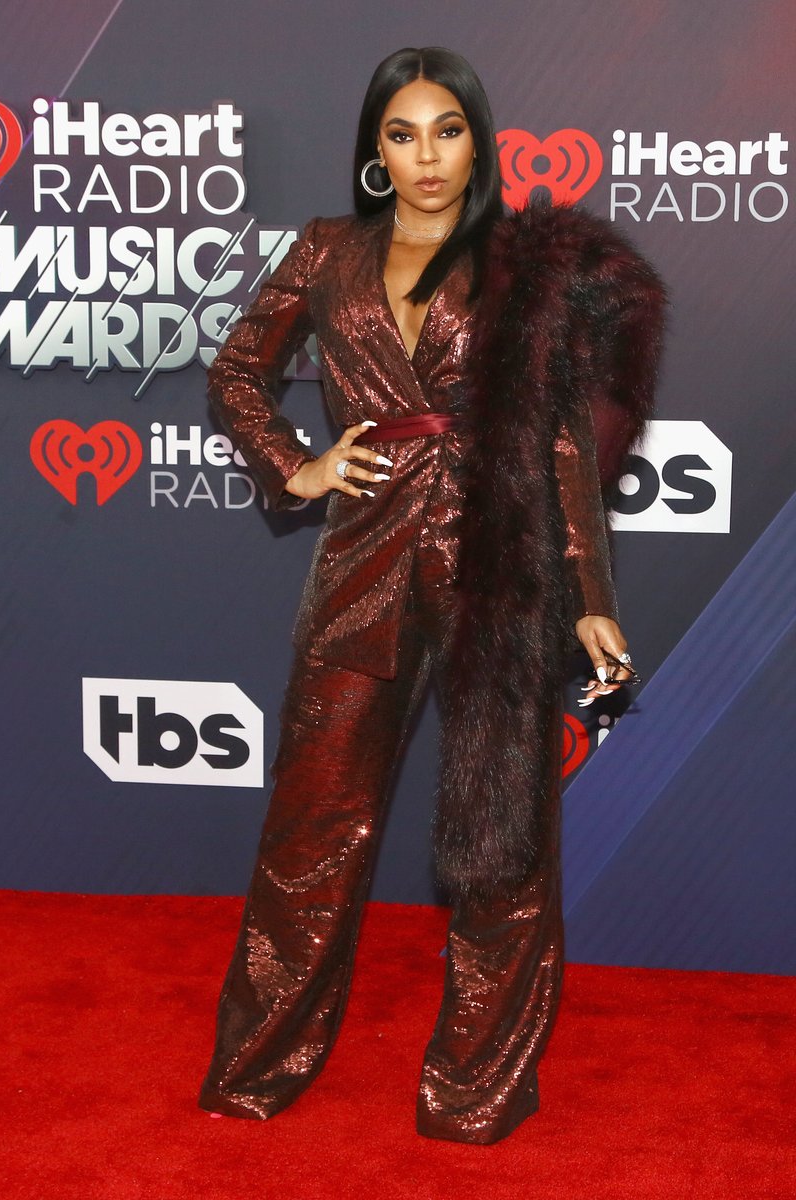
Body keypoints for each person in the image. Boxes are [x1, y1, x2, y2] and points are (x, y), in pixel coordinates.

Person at [197, 46, 666, 1144]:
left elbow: (554, 437)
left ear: (476, 140)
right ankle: (259, 1066)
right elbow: (235, 372)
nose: (425, 157)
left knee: (499, 841)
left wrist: (588, 594)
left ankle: (474, 1089)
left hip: (494, 570)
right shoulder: (324, 250)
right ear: (374, 149)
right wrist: (296, 463)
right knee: (311, 830)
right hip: (360, 567)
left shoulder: (513, 263)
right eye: (401, 134)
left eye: (446, 131)